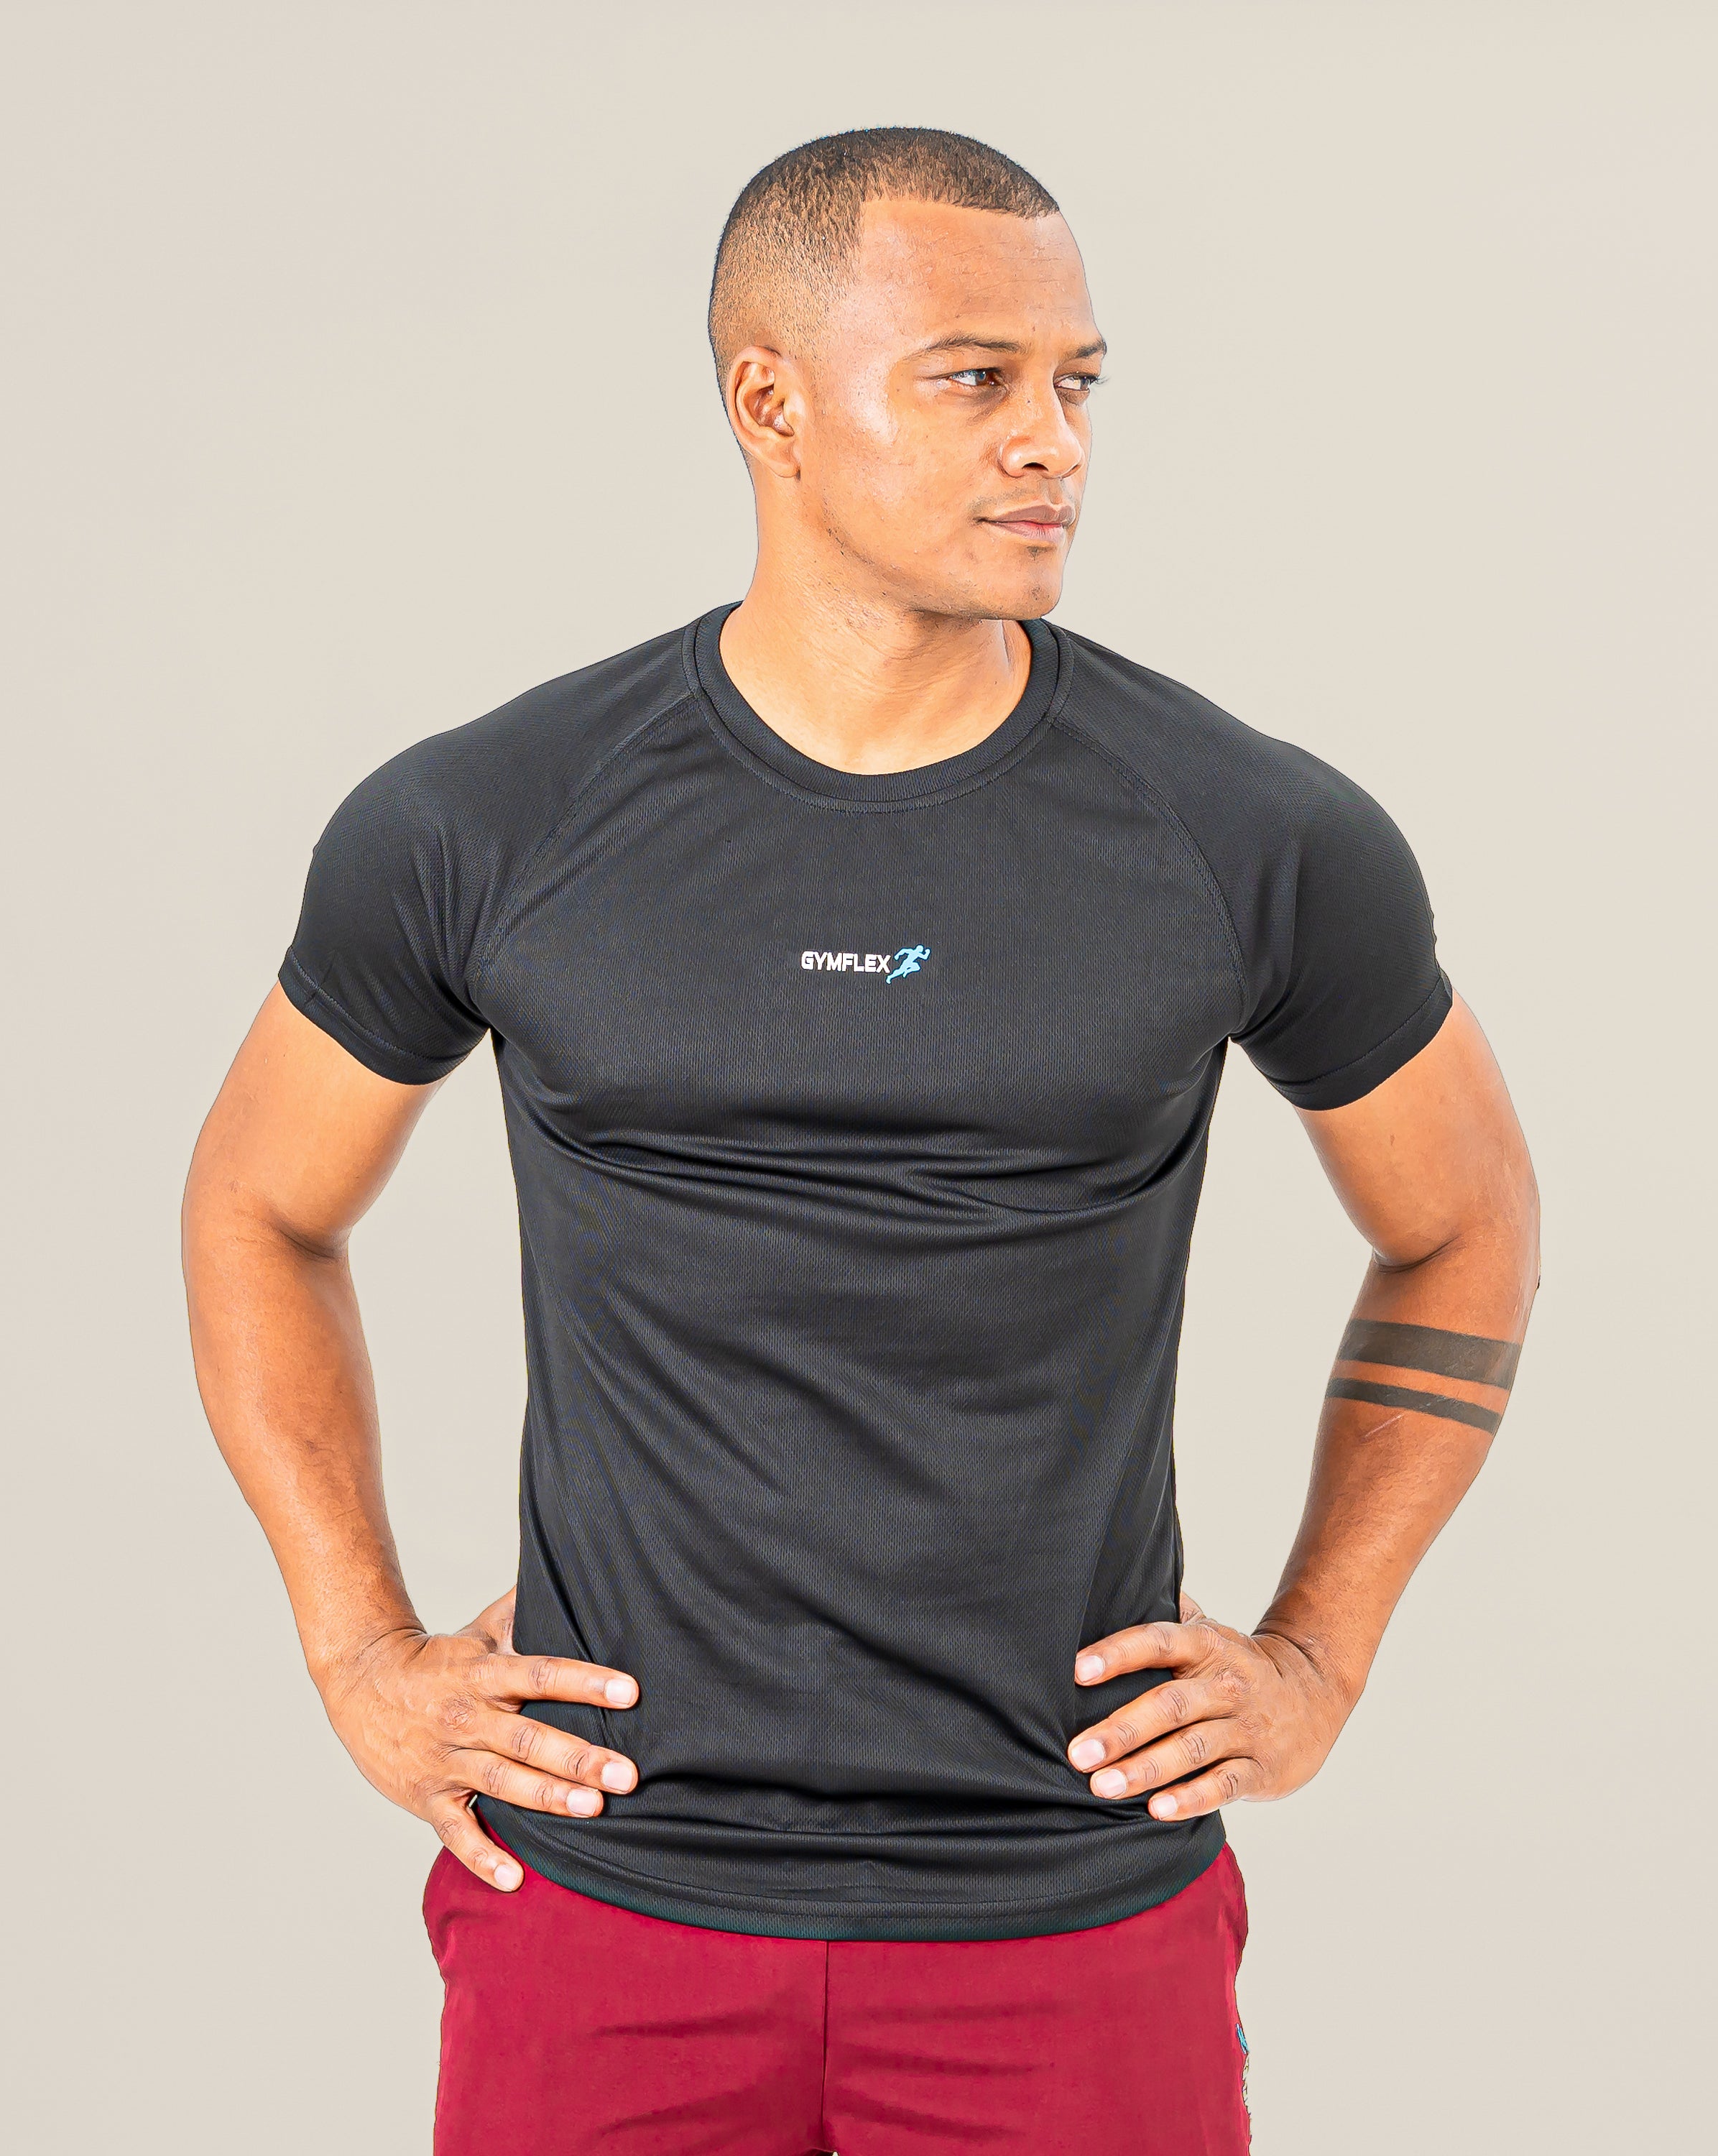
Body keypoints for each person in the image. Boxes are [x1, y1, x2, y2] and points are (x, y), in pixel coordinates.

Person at [183, 128, 1538, 2155]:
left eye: (1077, 382)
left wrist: (1319, 1654)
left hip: (1067, 1905)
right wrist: (357, 1647)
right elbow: (257, 1204)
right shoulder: (492, 819)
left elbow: (1467, 1220)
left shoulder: (1249, 834)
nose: (1054, 442)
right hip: (605, 1893)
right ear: (770, 404)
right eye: (975, 378)